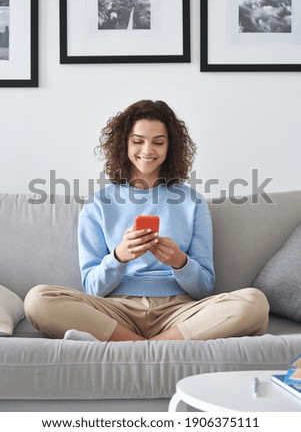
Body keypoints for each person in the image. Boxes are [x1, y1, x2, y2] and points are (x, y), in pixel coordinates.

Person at [24, 100, 269, 342]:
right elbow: (92, 288)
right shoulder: (98, 203)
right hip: (116, 312)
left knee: (255, 303)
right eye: (138, 141)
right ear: (124, 144)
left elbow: (204, 288)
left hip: (179, 312)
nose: (148, 150)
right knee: (38, 299)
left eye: (158, 142)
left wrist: (180, 262)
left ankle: (139, 347)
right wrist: (119, 257)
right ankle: (153, 347)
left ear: (170, 146)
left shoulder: (192, 201)